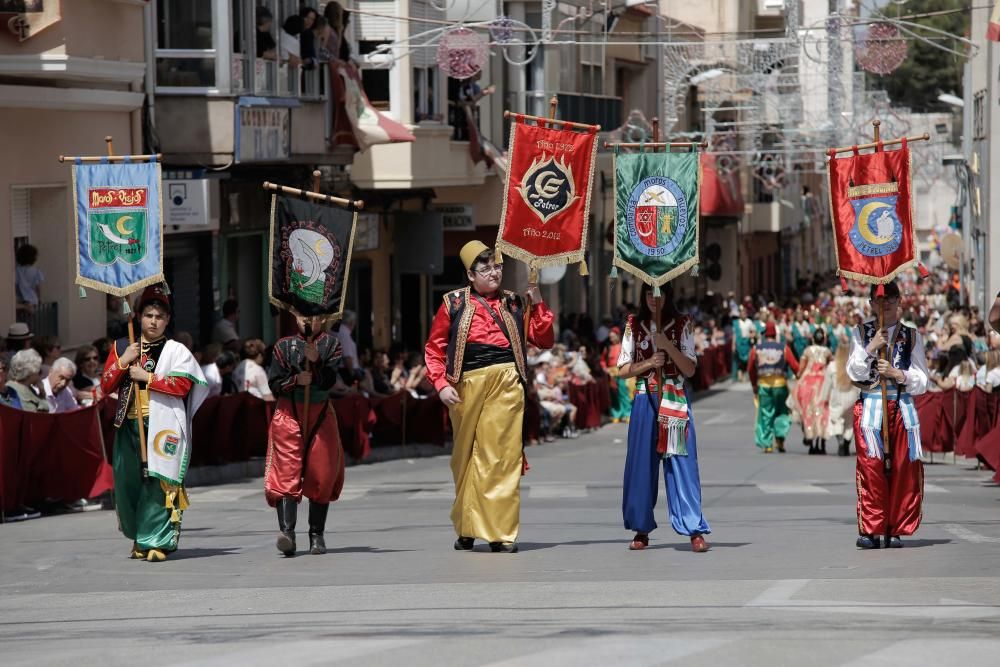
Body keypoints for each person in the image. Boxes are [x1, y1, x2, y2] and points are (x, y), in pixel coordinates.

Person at [424, 241, 554, 553]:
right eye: (486, 269)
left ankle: (499, 531)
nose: (494, 273)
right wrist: (441, 384)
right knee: (465, 458)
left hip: (507, 381)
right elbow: (434, 348)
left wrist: (537, 301)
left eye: (497, 267)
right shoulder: (452, 303)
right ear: (471, 275)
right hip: (466, 385)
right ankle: (467, 527)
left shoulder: (514, 303)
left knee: (500, 457)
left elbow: (543, 338)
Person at [99, 285, 209, 562]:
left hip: (162, 427)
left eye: (159, 316)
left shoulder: (176, 350)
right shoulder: (123, 346)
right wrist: (124, 362)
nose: (153, 321)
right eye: (148, 315)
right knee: (128, 484)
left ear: (168, 320)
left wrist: (147, 378)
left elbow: (184, 385)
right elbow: (105, 384)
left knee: (159, 482)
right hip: (128, 426)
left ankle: (157, 539)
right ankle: (139, 537)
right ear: (138, 316)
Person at [617, 283, 711, 553]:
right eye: (648, 293)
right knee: (640, 465)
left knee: (682, 464)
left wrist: (667, 346)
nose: (653, 299)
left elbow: (690, 369)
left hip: (675, 398)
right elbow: (623, 369)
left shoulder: (682, 323)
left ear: (669, 295)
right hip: (645, 398)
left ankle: (694, 528)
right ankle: (641, 528)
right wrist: (649, 363)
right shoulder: (633, 325)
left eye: (659, 293)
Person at [847, 281, 929, 549]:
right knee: (871, 468)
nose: (886, 304)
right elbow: (854, 372)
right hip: (870, 407)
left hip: (900, 407)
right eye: (880, 299)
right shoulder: (861, 333)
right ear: (872, 303)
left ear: (899, 302)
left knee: (903, 467)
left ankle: (894, 527)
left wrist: (898, 374)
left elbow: (922, 380)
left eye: (891, 298)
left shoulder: (912, 336)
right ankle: (870, 528)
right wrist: (872, 346)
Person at [265, 313, 345, 556]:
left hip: (320, 412)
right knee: (286, 470)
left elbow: (330, 379)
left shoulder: (332, 344)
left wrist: (317, 360)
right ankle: (287, 533)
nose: (308, 320)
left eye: (315, 316)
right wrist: (296, 380)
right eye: (302, 315)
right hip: (289, 412)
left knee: (322, 472)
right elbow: (274, 384)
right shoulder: (282, 346)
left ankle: (316, 534)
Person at [748, 321, 799, 453]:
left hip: (764, 385)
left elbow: (750, 369)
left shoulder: (756, 349)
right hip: (780, 385)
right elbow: (795, 366)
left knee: (765, 413)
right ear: (775, 334)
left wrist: (754, 385)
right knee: (782, 412)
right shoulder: (783, 348)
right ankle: (780, 439)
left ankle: (767, 444)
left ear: (765, 335)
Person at [818, 337, 859, 457]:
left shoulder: (832, 366)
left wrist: (823, 398)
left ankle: (840, 440)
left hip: (837, 396)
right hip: (851, 396)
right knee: (849, 422)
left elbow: (827, 384)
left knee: (836, 419)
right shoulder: (854, 366)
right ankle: (846, 441)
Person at [794, 328, 832, 455]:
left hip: (808, 383)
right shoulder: (827, 352)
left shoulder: (807, 351)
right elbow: (831, 367)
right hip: (822, 383)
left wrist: (798, 376)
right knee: (822, 411)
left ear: (813, 338)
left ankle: (811, 439)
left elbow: (801, 368)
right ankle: (822, 443)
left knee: (808, 410)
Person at [603, 327, 632, 423]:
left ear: (618, 336)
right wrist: (605, 369)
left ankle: (627, 413)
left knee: (624, 393)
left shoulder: (624, 346)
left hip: (621, 372)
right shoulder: (607, 348)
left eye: (612, 336)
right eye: (610, 337)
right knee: (613, 395)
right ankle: (616, 414)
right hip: (611, 374)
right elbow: (602, 361)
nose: (611, 339)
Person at [14, 243, 43, 319]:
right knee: (30, 325)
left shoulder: (16, 271)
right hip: (33, 301)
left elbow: (14, 286)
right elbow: (38, 288)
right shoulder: (36, 271)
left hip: (20, 303)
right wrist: (39, 299)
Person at [336, 310, 360, 382]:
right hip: (346, 371)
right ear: (351, 322)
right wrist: (352, 374)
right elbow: (347, 356)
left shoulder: (338, 330)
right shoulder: (344, 333)